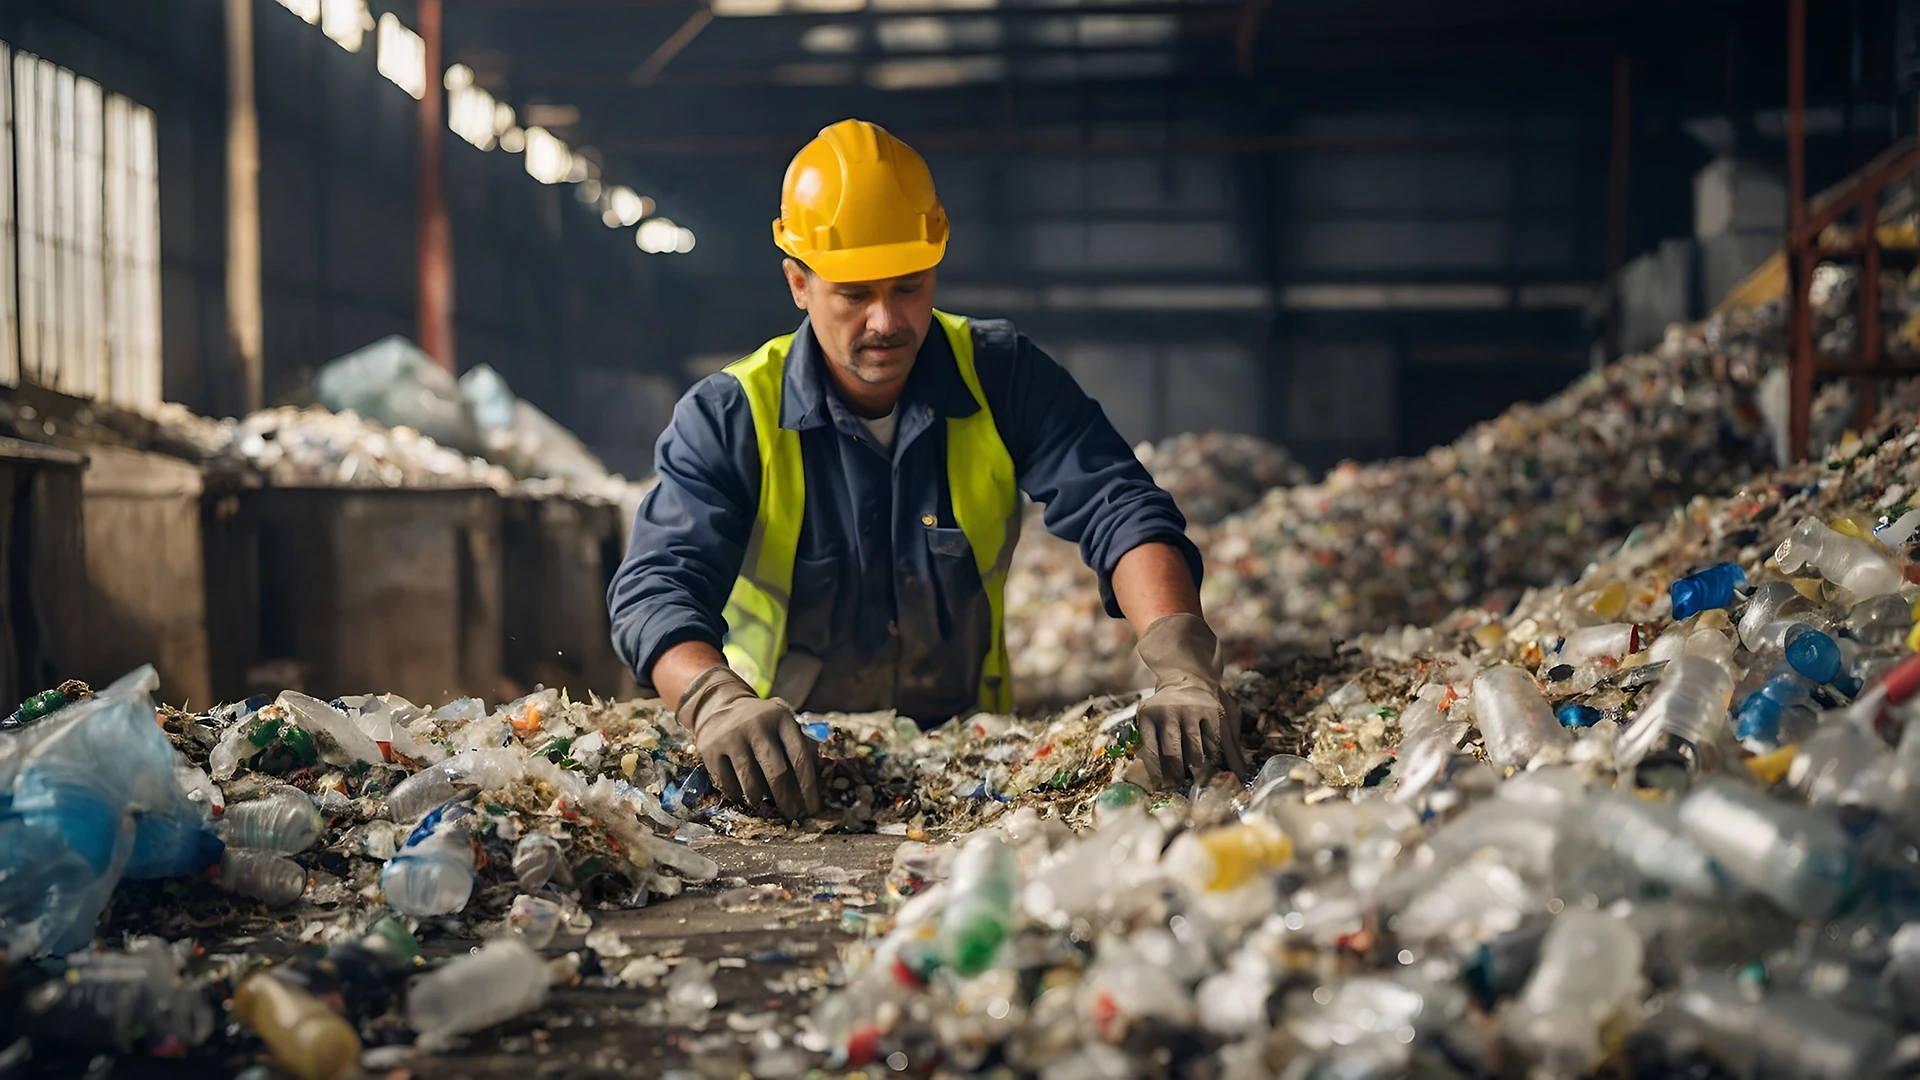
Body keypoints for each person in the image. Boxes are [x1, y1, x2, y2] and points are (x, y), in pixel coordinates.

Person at [608, 119, 1245, 818]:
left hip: (971, 769)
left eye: (908, 287)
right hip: (793, 772)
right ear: (799, 282)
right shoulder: (731, 415)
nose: (886, 320)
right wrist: (714, 702)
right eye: (854, 294)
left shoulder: (1003, 378)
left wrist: (1182, 666)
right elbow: (655, 586)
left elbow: (1121, 507)